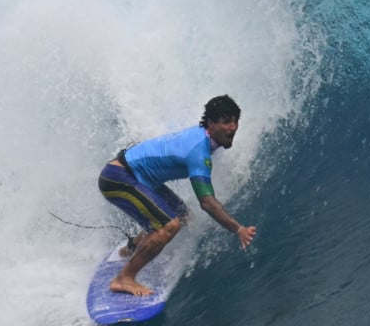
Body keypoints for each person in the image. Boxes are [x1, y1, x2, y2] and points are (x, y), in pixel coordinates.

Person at [98, 95, 257, 296]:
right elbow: (207, 202)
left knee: (182, 217)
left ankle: (132, 247)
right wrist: (238, 229)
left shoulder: (202, 137)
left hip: (138, 177)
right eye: (226, 122)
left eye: (235, 121)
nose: (233, 127)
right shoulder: (198, 150)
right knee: (169, 226)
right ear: (211, 124)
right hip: (119, 177)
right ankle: (124, 278)